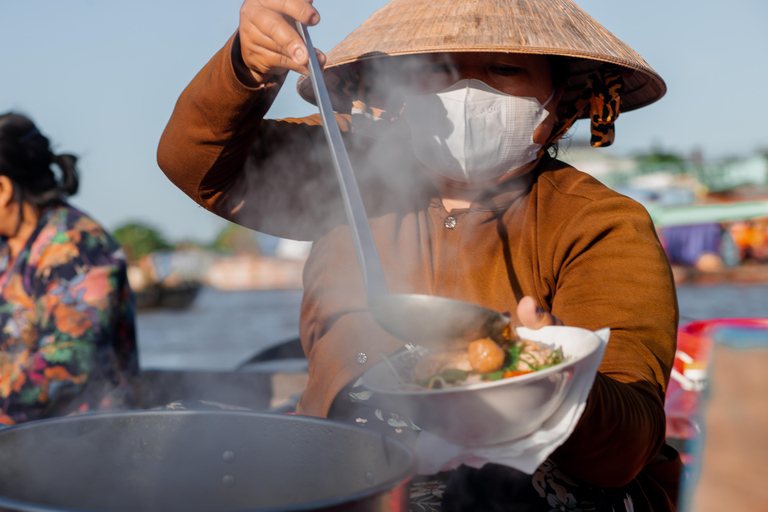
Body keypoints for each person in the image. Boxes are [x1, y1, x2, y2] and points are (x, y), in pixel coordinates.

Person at [157, 0, 681, 509]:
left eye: (504, 69)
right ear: (399, 90)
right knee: (171, 449)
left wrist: (549, 378)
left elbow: (624, 448)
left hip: (526, 481)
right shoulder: (347, 165)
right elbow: (197, 166)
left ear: (559, 96)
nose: (467, 92)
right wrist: (248, 68)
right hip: (346, 456)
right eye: (437, 69)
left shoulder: (601, 223)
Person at [0, 113, 139, 425]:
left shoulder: (78, 245)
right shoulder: (8, 246)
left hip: (82, 442)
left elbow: (71, 357)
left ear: (3, 189)